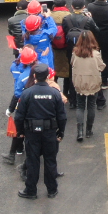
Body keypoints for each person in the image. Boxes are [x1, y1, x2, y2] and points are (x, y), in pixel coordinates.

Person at [13, 65, 66, 200]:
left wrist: (20, 132)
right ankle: (52, 190)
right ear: (48, 76)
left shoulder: (27, 93)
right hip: (49, 132)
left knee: (32, 161)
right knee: (50, 160)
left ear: (35, 76)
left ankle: (31, 190)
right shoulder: (55, 93)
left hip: (32, 133)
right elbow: (61, 116)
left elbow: (19, 116)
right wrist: (60, 132)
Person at [69, 30, 104, 142]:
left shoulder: (75, 53)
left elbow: (72, 63)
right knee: (91, 106)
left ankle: (79, 132)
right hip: (93, 82)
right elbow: (101, 67)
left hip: (79, 82)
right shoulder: (96, 54)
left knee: (80, 106)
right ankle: (89, 130)